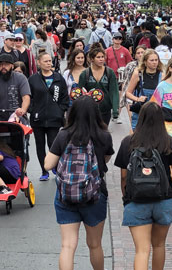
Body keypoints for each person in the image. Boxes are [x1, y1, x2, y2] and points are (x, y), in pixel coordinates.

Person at [114, 102, 172, 270]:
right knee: (159, 246)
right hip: (164, 200)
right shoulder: (168, 141)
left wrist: (126, 197)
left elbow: (123, 176)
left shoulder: (129, 141)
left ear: (140, 118)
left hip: (136, 201)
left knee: (141, 250)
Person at [44, 96, 114, 270]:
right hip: (95, 195)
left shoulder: (63, 134)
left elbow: (48, 164)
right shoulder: (104, 135)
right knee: (95, 244)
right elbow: (105, 161)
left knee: (68, 245)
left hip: (66, 194)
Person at [28, 52, 69, 181]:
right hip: (37, 119)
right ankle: (44, 170)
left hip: (54, 119)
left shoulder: (58, 78)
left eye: (50, 61)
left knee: (53, 144)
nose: (48, 63)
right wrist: (32, 110)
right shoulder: (33, 79)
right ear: (39, 62)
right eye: (45, 61)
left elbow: (64, 97)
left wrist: (60, 110)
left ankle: (55, 167)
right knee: (40, 146)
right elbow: (28, 97)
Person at [0, 53, 31, 122]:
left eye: (6, 64)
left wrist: (23, 109)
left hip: (17, 117)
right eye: (1, 65)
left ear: (12, 66)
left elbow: (26, 97)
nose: (3, 67)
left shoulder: (21, 78)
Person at [78, 43, 119, 126]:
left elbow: (114, 91)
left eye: (102, 57)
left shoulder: (109, 73)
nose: (101, 59)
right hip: (89, 111)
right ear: (92, 59)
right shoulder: (85, 74)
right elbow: (80, 93)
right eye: (98, 57)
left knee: (102, 135)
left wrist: (115, 110)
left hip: (105, 111)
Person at [126, 49, 163, 130]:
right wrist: (137, 99)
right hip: (140, 112)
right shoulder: (138, 74)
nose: (154, 62)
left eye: (156, 60)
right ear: (145, 62)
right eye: (152, 60)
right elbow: (128, 93)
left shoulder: (162, 75)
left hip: (156, 112)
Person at [119, 45, 147, 113]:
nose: (140, 55)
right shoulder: (130, 66)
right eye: (138, 53)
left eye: (142, 52)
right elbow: (125, 81)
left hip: (145, 95)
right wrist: (123, 96)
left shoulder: (150, 65)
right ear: (135, 55)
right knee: (133, 118)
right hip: (131, 95)